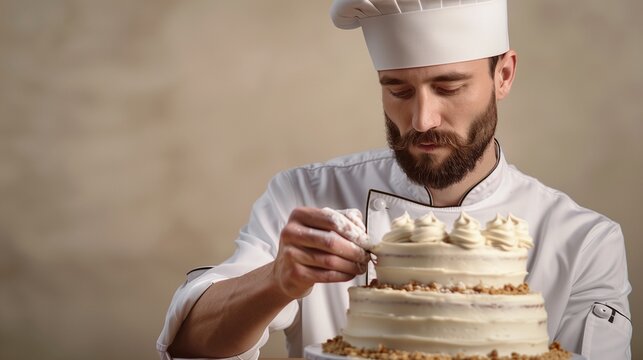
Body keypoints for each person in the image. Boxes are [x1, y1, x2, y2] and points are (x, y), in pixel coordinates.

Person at [157, 1, 632, 359]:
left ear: (503, 75)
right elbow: (189, 346)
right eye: (398, 89)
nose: (422, 119)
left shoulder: (584, 241)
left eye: (449, 87)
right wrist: (277, 281)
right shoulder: (306, 198)